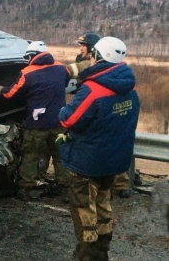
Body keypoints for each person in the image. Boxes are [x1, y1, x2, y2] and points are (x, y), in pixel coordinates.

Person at [58, 37, 140, 261]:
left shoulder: (93, 89)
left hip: (88, 163)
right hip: (114, 162)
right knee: (103, 207)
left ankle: (86, 256)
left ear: (98, 57)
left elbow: (69, 120)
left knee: (85, 212)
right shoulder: (129, 88)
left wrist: (63, 109)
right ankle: (101, 252)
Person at [0, 41, 70, 201]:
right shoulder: (61, 68)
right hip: (59, 122)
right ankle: (65, 189)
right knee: (61, 156)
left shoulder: (27, 73)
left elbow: (10, 94)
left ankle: (26, 189)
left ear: (30, 56)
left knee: (31, 155)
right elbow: (64, 83)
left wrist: (1, 89)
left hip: (37, 123)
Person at [68, 32, 132, 199]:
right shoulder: (120, 73)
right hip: (91, 103)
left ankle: (119, 184)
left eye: (83, 46)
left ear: (94, 50)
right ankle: (112, 187)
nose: (80, 49)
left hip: (97, 104)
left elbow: (72, 72)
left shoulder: (91, 65)